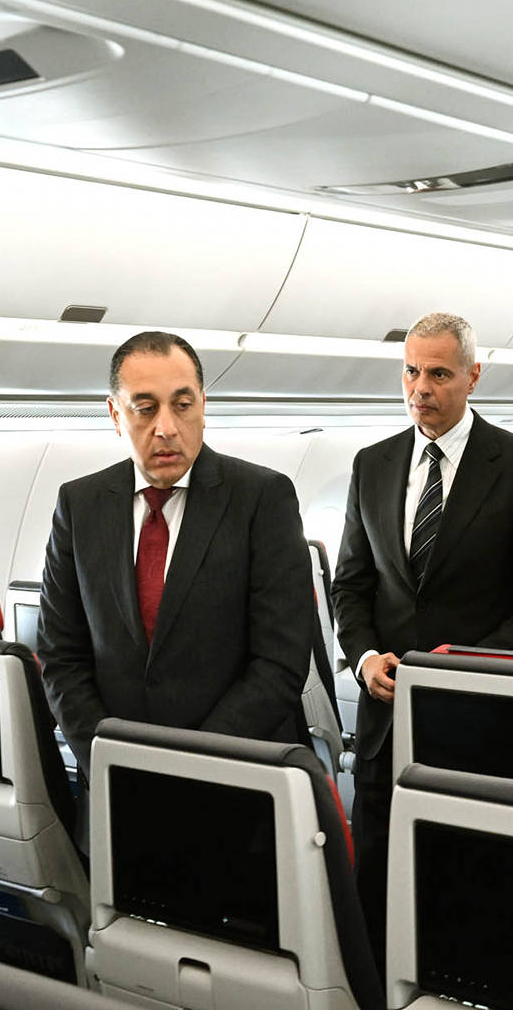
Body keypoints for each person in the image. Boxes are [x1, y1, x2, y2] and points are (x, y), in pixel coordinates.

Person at [331, 312, 513, 957]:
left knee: (470, 901)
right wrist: (364, 657)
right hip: (385, 726)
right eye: (411, 372)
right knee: (378, 895)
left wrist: (459, 668)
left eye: (438, 374)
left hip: (479, 721)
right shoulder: (373, 463)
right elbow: (350, 585)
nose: (421, 388)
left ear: (473, 375)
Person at [37, 330, 315, 776]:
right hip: (119, 780)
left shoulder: (262, 498)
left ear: (203, 406)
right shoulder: (80, 504)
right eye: (145, 408)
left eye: (182, 405)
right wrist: (108, 761)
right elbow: (60, 654)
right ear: (115, 414)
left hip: (236, 775)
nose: (166, 427)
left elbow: (279, 662)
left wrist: (191, 768)